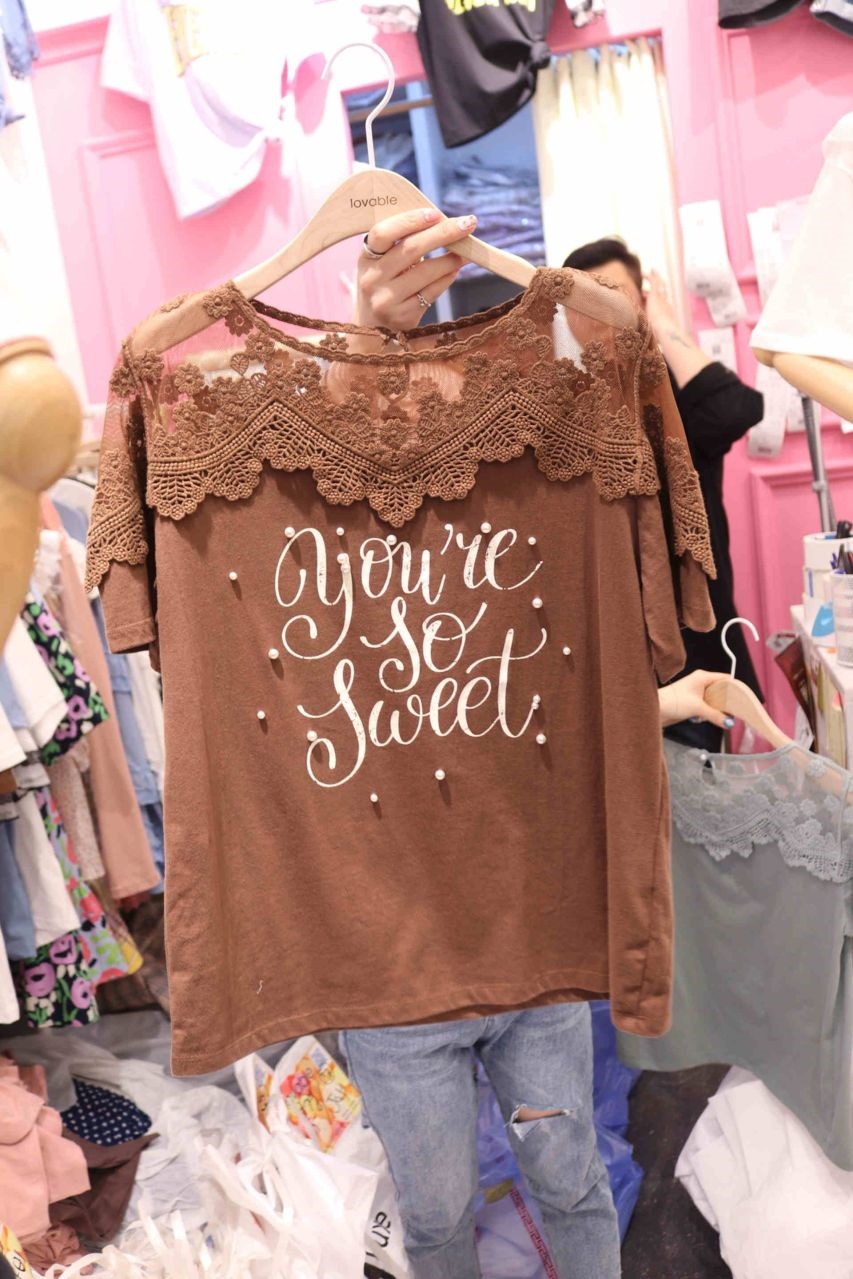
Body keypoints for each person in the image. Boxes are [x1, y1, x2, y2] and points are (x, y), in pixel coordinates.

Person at [347, 210, 738, 1279]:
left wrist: (666, 699)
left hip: (530, 934)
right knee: (435, 1210)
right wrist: (365, 331)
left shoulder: (525, 550)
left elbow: (553, 701)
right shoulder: (329, 566)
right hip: (394, 959)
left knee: (566, 1174)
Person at [563, 238, 765, 750]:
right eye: (586, 302)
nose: (602, 315)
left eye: (615, 297)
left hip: (700, 656)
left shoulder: (674, 405)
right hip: (618, 672)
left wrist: (663, 323)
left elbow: (737, 408)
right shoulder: (569, 415)